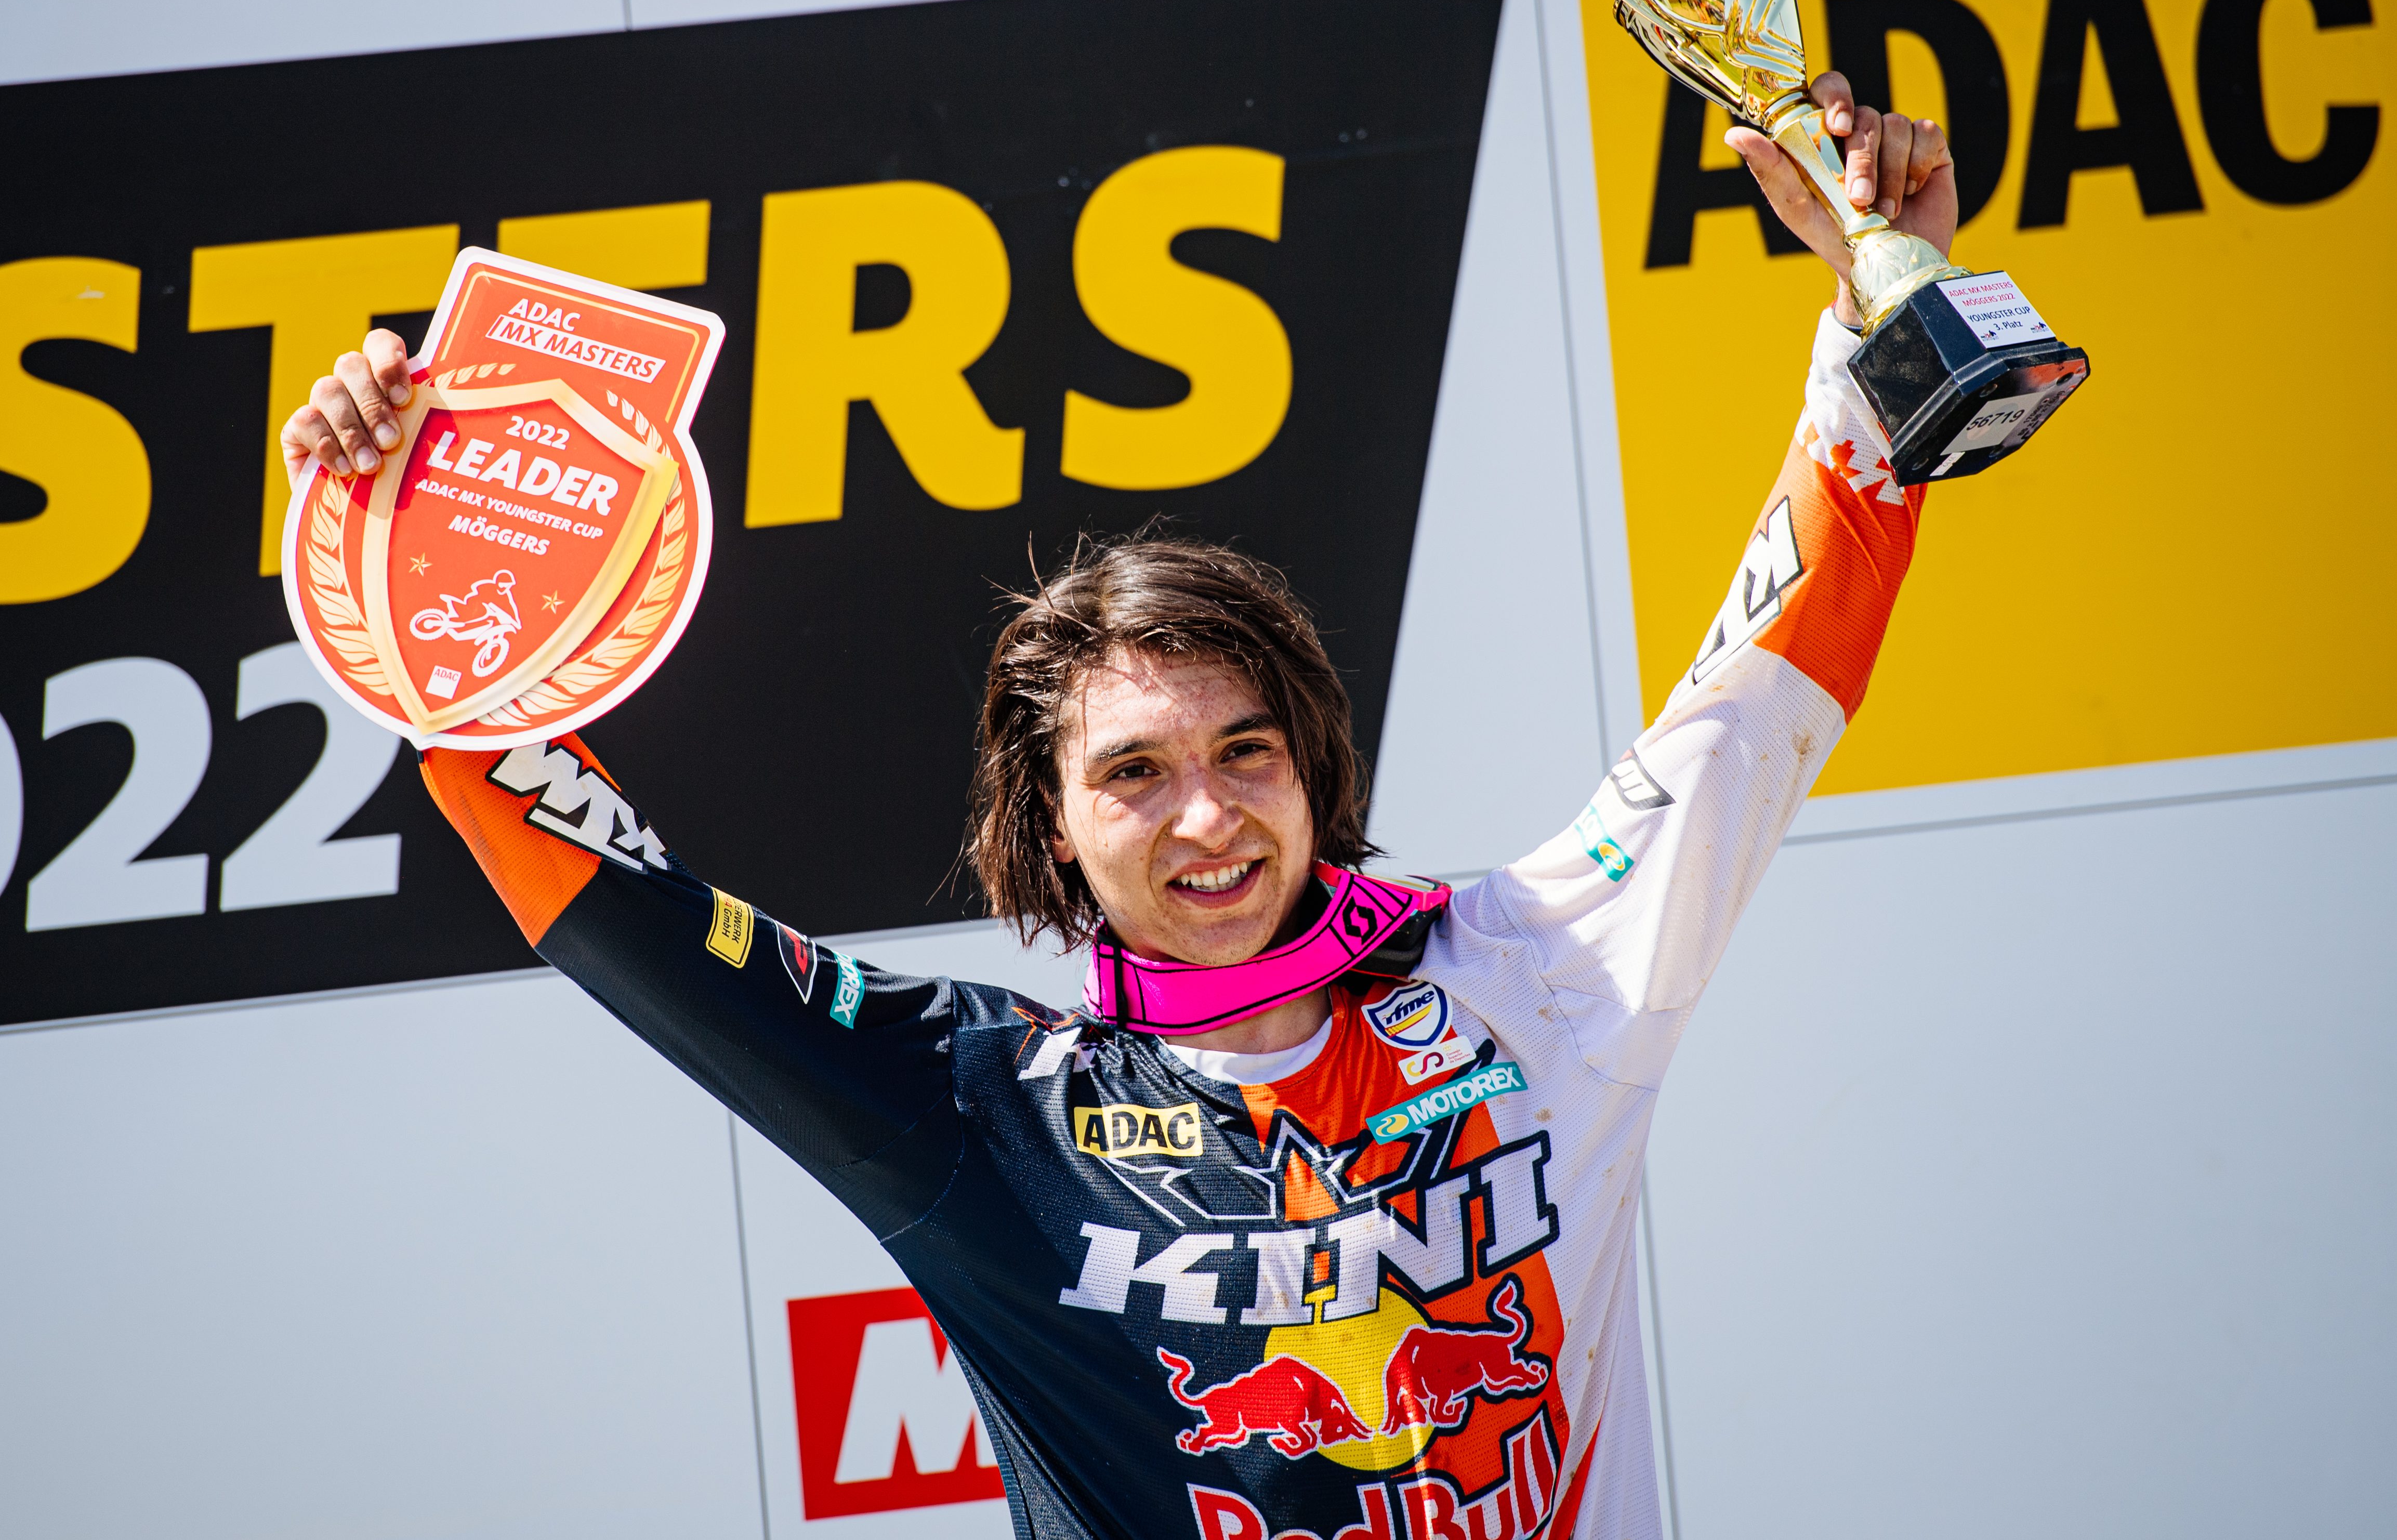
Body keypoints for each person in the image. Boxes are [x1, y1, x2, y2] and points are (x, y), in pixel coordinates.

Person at [282, 75, 1954, 1540]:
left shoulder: (1539, 972)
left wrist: (1877, 306)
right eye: (1133, 775)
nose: (1207, 817)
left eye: (1245, 751)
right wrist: (425, 578)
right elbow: (635, 925)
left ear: (1314, 767)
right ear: (1052, 831)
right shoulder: (972, 1106)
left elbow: (1756, 700)